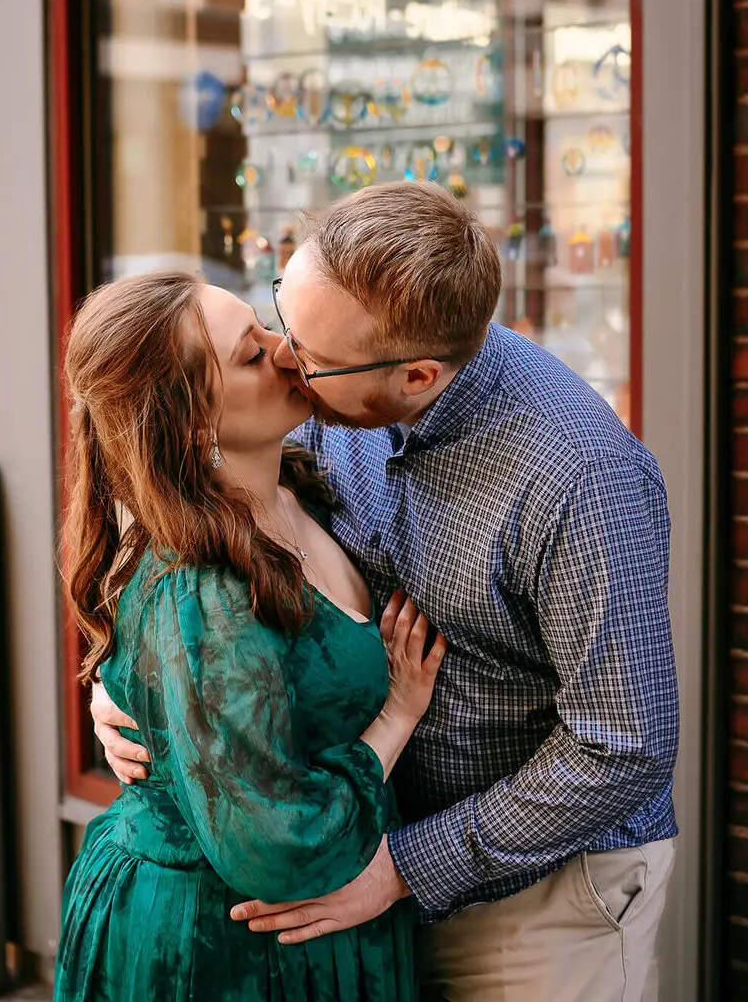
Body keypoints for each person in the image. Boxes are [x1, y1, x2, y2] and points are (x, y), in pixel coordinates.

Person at [94, 182, 679, 1002]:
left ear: (417, 375)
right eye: (281, 317)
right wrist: (136, 682)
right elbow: (183, 488)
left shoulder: (582, 479)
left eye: (306, 354)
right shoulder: (330, 383)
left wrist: (404, 868)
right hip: (366, 861)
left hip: (542, 898)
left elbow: (624, 748)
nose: (284, 356)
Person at [55, 270, 447, 1001]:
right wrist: (397, 716)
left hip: (327, 921)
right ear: (193, 424)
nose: (286, 351)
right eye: (251, 353)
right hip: (227, 943)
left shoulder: (298, 484)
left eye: (265, 324)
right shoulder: (204, 586)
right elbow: (276, 842)